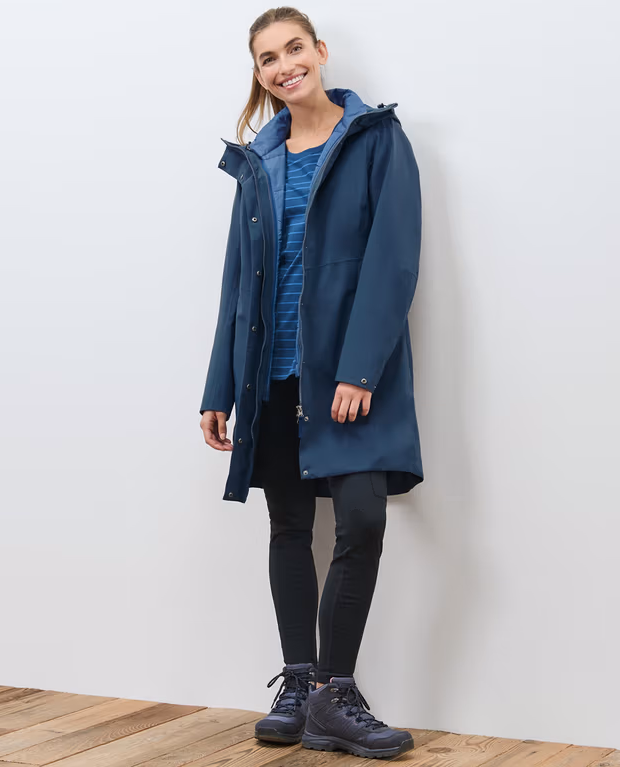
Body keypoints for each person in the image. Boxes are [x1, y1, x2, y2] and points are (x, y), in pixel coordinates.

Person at [198, 6, 423, 760]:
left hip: (347, 375)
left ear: (320, 52)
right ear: (259, 74)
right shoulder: (257, 163)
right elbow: (236, 281)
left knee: (361, 522)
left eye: (294, 48)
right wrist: (220, 387)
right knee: (289, 528)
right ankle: (299, 684)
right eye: (268, 58)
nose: (284, 65)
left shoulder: (376, 139)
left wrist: (360, 367)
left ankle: (333, 692)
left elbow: (393, 260)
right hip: (271, 376)